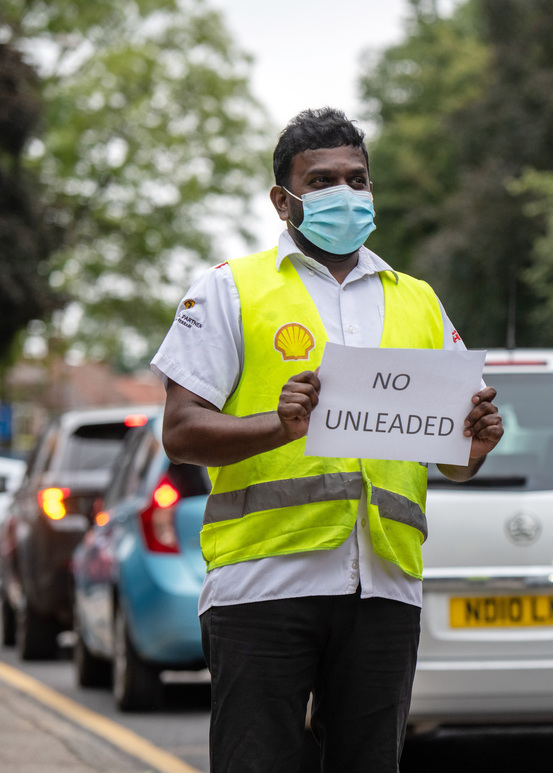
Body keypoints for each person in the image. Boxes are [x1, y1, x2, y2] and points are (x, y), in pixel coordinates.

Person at [151, 107, 503, 772]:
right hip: (262, 584)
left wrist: (476, 443)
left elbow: (455, 459)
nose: (346, 193)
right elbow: (181, 430)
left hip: (386, 587)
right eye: (323, 181)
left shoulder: (419, 301)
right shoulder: (231, 290)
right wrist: (276, 426)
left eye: (358, 179)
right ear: (284, 201)